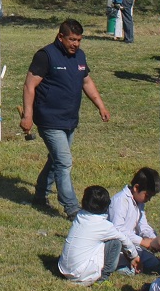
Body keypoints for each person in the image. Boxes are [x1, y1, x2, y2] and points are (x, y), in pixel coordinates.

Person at [20, 19, 111, 219]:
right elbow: (29, 86)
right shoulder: (45, 56)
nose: (75, 44)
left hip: (70, 119)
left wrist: (101, 106)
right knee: (64, 162)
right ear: (60, 37)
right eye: (71, 39)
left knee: (56, 160)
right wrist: (28, 115)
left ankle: (40, 194)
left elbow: (86, 81)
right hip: (49, 119)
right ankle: (72, 208)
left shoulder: (80, 56)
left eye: (79, 40)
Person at [57, 185, 126, 286]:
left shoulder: (80, 216)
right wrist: (134, 256)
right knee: (115, 242)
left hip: (64, 269)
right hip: (81, 275)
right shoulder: (104, 226)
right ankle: (103, 277)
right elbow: (124, 239)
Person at [106, 166, 160, 274]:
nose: (148, 200)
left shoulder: (139, 203)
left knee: (156, 264)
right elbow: (117, 230)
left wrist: (152, 239)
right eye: (147, 195)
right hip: (117, 250)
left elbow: (143, 225)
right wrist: (142, 241)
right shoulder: (120, 201)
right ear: (136, 188)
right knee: (129, 271)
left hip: (133, 247)